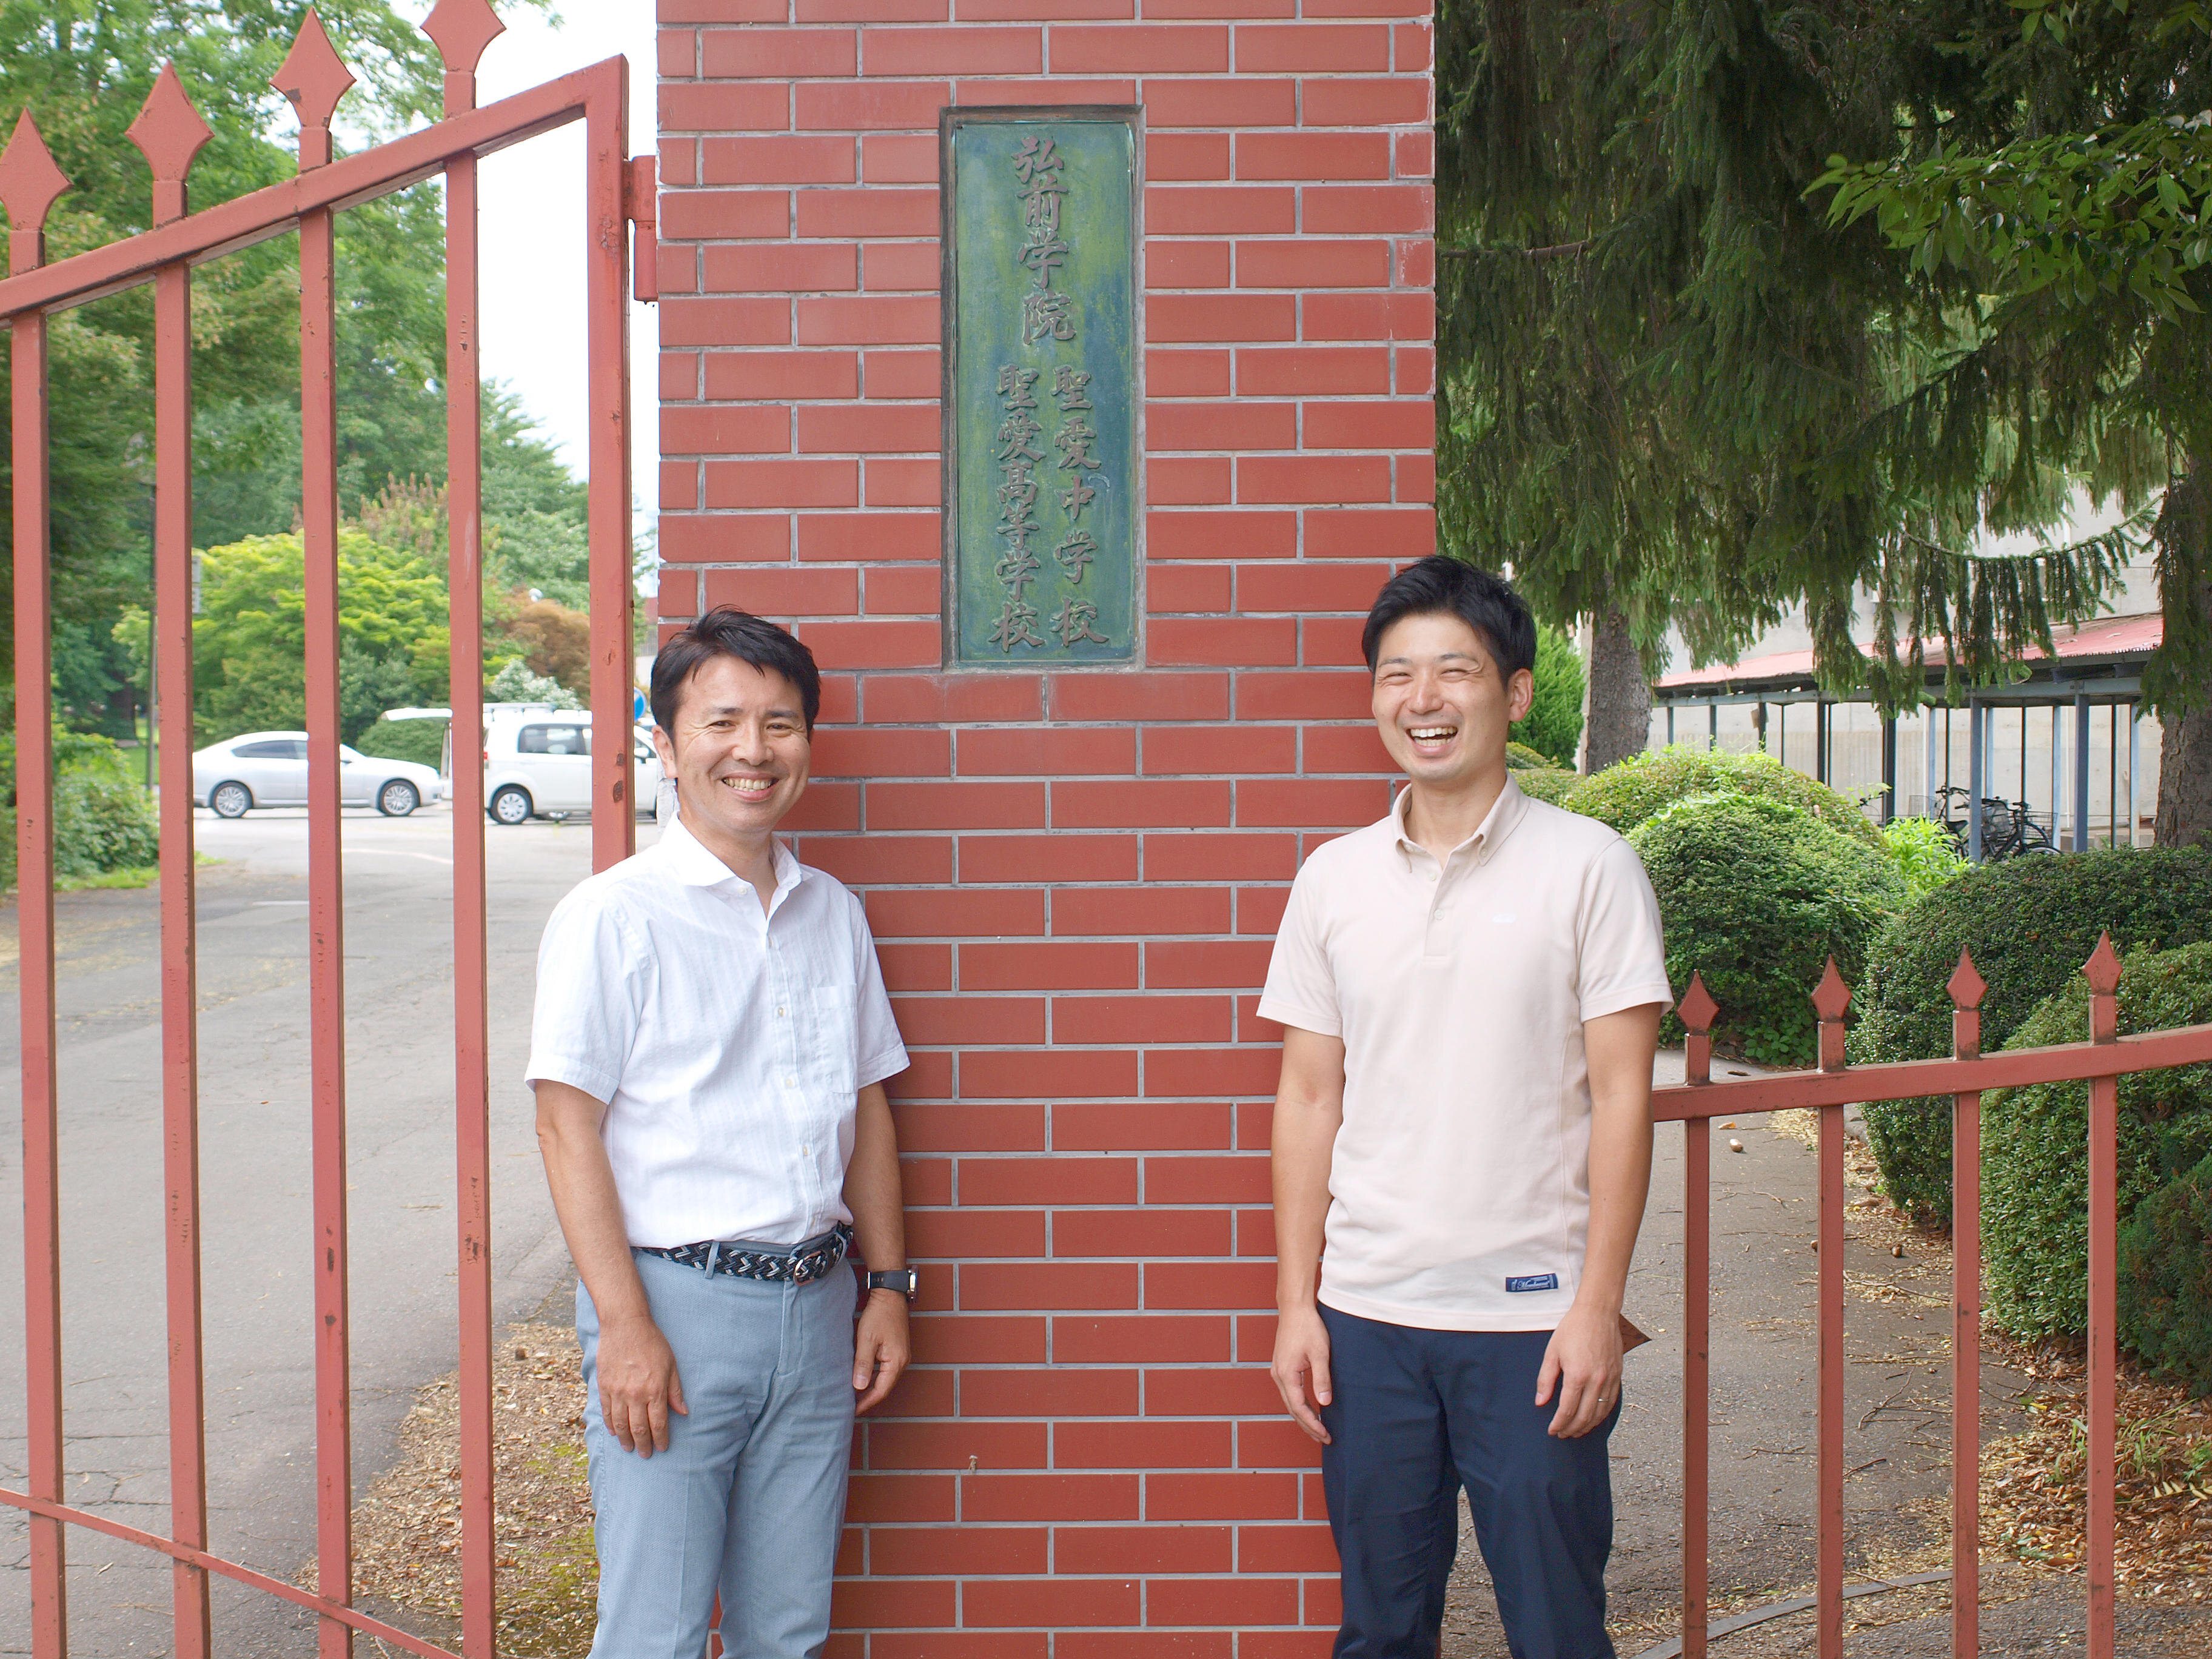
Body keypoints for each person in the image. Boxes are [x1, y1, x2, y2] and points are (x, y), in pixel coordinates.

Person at [1261, 557, 1671, 1659]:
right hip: (1367, 1318)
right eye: (1397, 675)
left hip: (1531, 1323)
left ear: (1517, 692)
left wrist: (1597, 1308)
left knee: (1556, 1628)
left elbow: (1623, 1097)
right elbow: (1308, 1097)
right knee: (1381, 1629)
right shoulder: (1333, 879)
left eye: (1456, 670)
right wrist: (1298, 1304)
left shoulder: (1591, 869)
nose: (1423, 700)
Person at [529, 606, 917, 1659]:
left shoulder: (831, 911)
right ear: (666, 745)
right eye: (723, 723)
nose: (754, 750)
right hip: (676, 1309)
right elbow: (566, 1128)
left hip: (819, 1306)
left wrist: (888, 1285)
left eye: (780, 724)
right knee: (653, 1632)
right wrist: (625, 1326)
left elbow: (866, 1102)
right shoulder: (613, 915)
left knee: (786, 1631)